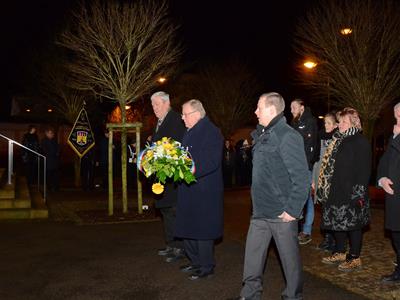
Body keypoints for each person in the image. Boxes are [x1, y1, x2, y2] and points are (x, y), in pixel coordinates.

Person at [235, 92, 309, 300]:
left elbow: (302, 178)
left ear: (271, 109)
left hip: (281, 213)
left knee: (290, 263)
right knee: (252, 258)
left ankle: (293, 296)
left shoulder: (287, 136)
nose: (255, 111)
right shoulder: (262, 135)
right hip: (260, 211)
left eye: (259, 107)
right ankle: (249, 295)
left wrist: (292, 210)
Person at [175, 99, 224, 280]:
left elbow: (211, 161)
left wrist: (187, 169)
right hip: (189, 189)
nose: (182, 118)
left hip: (204, 191)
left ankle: (206, 266)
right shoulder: (190, 131)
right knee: (188, 228)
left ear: (196, 114)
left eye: (185, 114)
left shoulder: (211, 131)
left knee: (202, 231)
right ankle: (194, 262)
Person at [317, 108, 371, 272]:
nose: (340, 124)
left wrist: (358, 193)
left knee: (353, 224)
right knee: (336, 223)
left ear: (354, 123)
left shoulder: (360, 141)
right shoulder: (337, 139)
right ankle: (340, 251)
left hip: (351, 191)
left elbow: (364, 170)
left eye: (344, 122)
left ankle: (355, 257)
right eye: (340, 121)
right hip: (335, 189)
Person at [150, 91, 186, 263]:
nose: (154, 108)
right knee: (165, 211)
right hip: (161, 176)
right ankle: (171, 244)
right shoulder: (159, 121)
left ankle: (179, 247)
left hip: (172, 176)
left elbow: (177, 146)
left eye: (157, 104)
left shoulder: (176, 120)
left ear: (166, 103)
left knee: (173, 211)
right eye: (153, 105)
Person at [290, 99, 319, 245]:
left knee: (307, 198)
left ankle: (306, 231)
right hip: (294, 167)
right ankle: (295, 228)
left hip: (305, 167)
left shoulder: (310, 122)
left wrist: (306, 165)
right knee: (296, 195)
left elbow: (312, 146)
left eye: (294, 107)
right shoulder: (294, 122)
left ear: (301, 107)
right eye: (290, 107)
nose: (291, 110)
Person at [378, 102, 400, 283]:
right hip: (394, 194)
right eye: (396, 115)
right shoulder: (395, 136)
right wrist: (382, 179)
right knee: (396, 234)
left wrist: (397, 136)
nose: (397, 118)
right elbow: (385, 160)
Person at [312, 113, 338, 251]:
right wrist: (313, 180)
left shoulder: (337, 139)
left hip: (332, 180)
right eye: (325, 123)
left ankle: (335, 240)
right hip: (320, 178)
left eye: (329, 123)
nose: (326, 126)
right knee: (324, 210)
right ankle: (327, 239)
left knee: (332, 211)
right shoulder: (320, 137)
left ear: (335, 125)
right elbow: (316, 159)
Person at [41, 128, 60, 192]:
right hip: (48, 161)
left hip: (55, 161)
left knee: (55, 175)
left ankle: (55, 187)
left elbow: (58, 147)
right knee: (48, 175)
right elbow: (44, 150)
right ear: (46, 134)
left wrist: (58, 152)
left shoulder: (54, 140)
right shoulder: (44, 141)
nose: (52, 134)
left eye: (52, 133)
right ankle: (49, 187)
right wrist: (52, 153)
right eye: (50, 133)